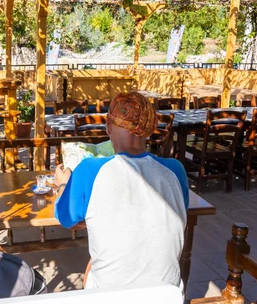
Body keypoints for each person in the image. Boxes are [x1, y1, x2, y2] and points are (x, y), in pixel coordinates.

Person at [54, 91, 189, 290]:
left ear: (109, 127)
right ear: (150, 130)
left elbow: (66, 219)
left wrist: (63, 185)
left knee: (92, 268)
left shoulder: (88, 171)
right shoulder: (176, 170)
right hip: (167, 302)